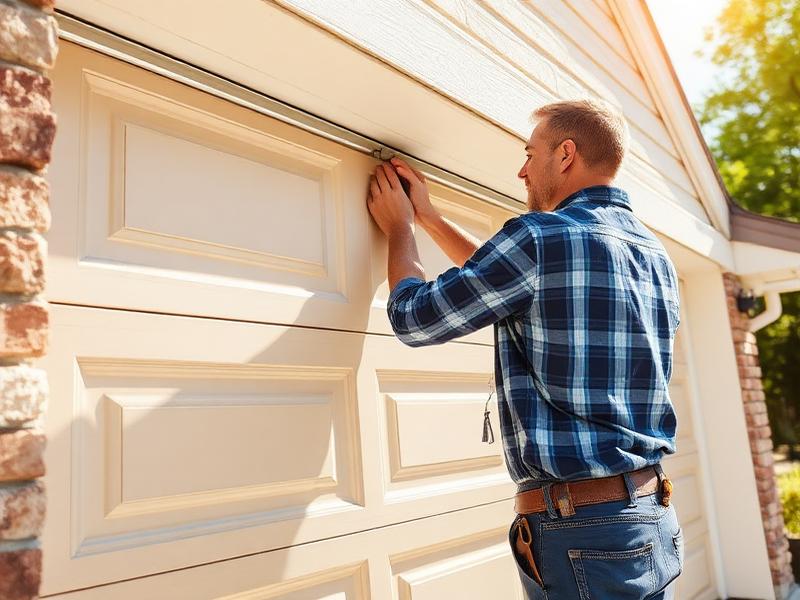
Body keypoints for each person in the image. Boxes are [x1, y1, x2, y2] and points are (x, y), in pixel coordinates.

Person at [366, 99, 683, 599]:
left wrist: (399, 228)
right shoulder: (654, 255)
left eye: (530, 153)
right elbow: (514, 289)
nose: (522, 170)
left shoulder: (538, 237)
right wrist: (430, 219)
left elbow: (414, 319)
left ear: (566, 154)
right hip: (647, 515)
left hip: (582, 529)